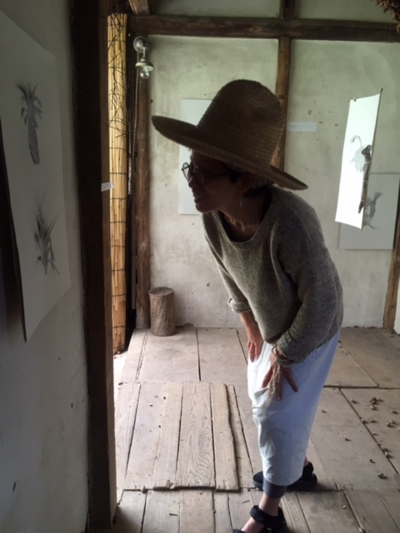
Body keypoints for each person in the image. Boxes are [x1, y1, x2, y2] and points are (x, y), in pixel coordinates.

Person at [152, 80, 343, 533]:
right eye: (191, 168)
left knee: (274, 411)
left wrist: (286, 351)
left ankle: (268, 515)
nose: (193, 182)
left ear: (248, 178)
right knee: (268, 401)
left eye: (205, 173)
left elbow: (323, 300)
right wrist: (251, 326)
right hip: (271, 324)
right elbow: (229, 274)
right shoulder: (213, 216)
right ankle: (297, 471)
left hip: (313, 326)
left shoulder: (291, 223)